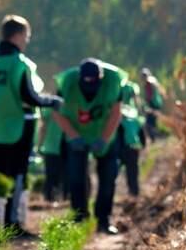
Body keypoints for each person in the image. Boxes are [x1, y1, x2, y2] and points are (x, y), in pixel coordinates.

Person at [0, 14, 63, 231]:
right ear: (18, 35)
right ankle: (11, 224)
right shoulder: (18, 63)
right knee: (17, 174)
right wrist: (52, 101)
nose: (27, 40)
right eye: (26, 35)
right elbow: (29, 97)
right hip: (16, 129)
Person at [52, 58, 127, 235]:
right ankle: (79, 218)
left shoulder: (113, 81)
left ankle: (104, 219)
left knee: (108, 178)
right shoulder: (67, 83)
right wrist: (74, 136)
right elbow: (56, 112)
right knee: (76, 178)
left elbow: (116, 112)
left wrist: (104, 138)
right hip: (76, 133)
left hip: (105, 133)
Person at [116, 80, 146, 197]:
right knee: (132, 172)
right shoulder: (134, 114)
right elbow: (140, 131)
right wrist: (143, 145)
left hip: (122, 148)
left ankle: (132, 194)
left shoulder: (117, 114)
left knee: (115, 172)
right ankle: (134, 193)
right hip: (132, 147)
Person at [38, 107, 69, 202]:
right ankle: (62, 197)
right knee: (63, 174)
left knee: (51, 175)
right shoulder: (69, 106)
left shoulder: (47, 109)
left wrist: (39, 144)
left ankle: (51, 198)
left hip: (52, 145)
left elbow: (42, 127)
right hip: (61, 145)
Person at [140, 68, 164, 141]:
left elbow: (149, 95)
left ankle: (154, 138)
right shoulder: (154, 80)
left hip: (153, 105)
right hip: (158, 103)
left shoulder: (148, 83)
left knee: (149, 123)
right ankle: (155, 138)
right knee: (152, 122)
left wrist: (146, 104)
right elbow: (161, 90)